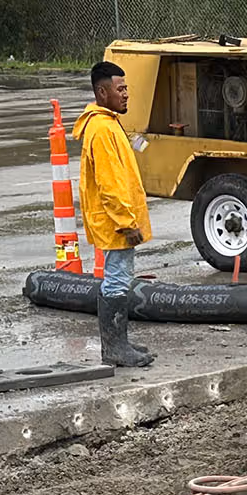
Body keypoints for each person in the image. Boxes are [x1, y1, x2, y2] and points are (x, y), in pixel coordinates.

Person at [72, 61, 154, 368]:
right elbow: (110, 184)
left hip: (115, 221)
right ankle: (115, 348)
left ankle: (119, 344)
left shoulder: (107, 123)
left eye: (127, 89)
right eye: (120, 90)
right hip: (116, 223)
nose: (126, 95)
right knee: (117, 281)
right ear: (102, 92)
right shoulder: (103, 128)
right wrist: (126, 222)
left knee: (118, 278)